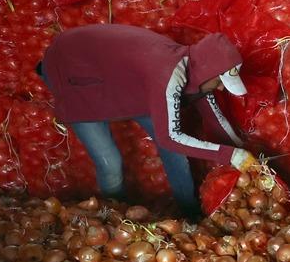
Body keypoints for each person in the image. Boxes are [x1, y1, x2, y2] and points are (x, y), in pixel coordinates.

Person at [40, 23, 256, 215]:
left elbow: (215, 121)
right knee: (110, 162)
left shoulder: (198, 72)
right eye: (220, 82)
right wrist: (231, 155)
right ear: (210, 72)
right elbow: (170, 137)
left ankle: (189, 214)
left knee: (175, 152)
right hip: (71, 67)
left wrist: (245, 155)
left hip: (119, 79)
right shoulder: (167, 73)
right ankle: (116, 219)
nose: (220, 88)